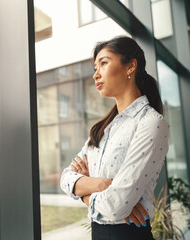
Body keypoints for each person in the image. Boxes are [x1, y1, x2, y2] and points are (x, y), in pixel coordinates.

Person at [60, 36, 169, 240]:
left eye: (104, 63)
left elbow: (115, 205)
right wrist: (102, 184)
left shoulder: (151, 123)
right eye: (95, 67)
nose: (96, 74)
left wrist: (85, 190)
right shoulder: (103, 129)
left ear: (131, 66)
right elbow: (65, 178)